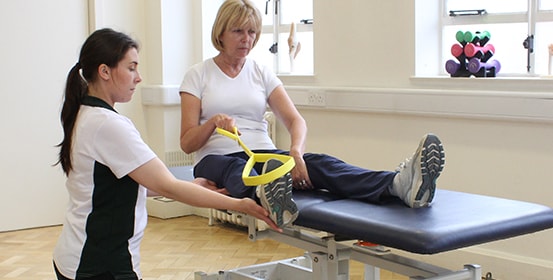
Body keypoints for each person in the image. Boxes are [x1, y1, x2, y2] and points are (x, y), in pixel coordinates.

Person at [179, 0, 445, 228]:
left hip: (265, 155)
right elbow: (187, 142)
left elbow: (296, 120)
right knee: (236, 169)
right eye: (238, 31)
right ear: (221, 33)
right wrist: (214, 123)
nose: (246, 39)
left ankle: (398, 185)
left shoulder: (261, 72)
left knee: (321, 163)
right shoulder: (198, 75)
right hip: (216, 158)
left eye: (252, 31)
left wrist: (295, 152)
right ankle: (268, 193)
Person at [52, 28, 280, 280]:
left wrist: (192, 185)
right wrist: (239, 205)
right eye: (131, 68)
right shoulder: (108, 125)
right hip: (98, 264)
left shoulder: (85, 113)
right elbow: (168, 186)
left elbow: (124, 182)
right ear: (104, 71)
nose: (138, 78)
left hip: (76, 255)